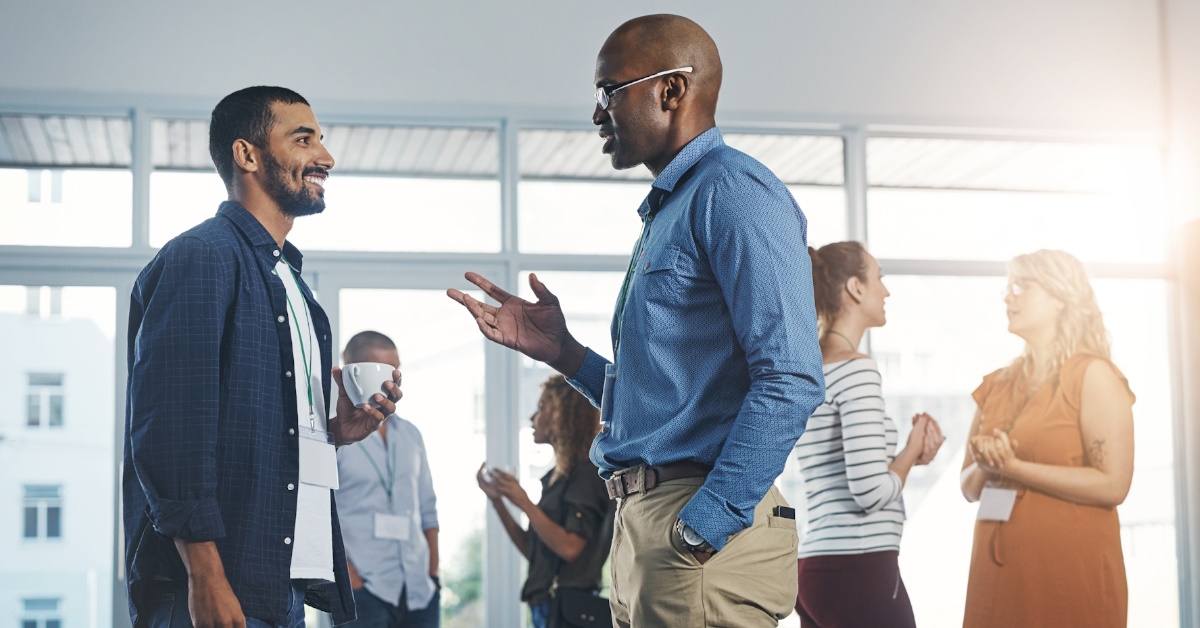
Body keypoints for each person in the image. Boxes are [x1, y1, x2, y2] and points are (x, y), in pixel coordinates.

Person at [447, 14, 825, 626]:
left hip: (696, 532)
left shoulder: (734, 192)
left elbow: (792, 378)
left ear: (671, 90)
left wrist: (703, 526)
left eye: (608, 91)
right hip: (645, 525)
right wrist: (562, 352)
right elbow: (660, 401)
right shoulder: (672, 210)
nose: (597, 114)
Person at [123, 86, 401, 628]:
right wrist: (206, 576)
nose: (326, 156)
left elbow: (268, 433)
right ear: (246, 154)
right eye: (303, 139)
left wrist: (335, 429)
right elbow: (170, 432)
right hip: (211, 589)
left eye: (321, 139)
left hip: (277, 584)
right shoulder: (200, 258)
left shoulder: (293, 285)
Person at [960, 249, 1135, 627]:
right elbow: (968, 486)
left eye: (1022, 285)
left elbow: (1114, 484)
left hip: (1068, 577)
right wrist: (989, 466)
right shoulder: (996, 385)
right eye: (1008, 287)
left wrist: (1015, 467)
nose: (1009, 296)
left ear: (1060, 297)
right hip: (997, 578)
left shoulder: (1094, 375)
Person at [784, 242, 946, 627]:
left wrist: (910, 457)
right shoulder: (857, 370)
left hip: (816, 570)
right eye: (879, 279)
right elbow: (870, 492)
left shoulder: (809, 369)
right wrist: (911, 449)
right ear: (856, 288)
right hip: (858, 569)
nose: (886, 291)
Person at [476, 375, 614, 628]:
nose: (532, 418)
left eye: (541, 408)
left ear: (563, 416)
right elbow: (534, 551)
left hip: (568, 610)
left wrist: (525, 503)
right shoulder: (555, 478)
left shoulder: (586, 475)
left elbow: (570, 548)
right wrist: (499, 502)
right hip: (547, 607)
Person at [335, 331, 441, 628]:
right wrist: (350, 580)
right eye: (384, 372)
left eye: (397, 372)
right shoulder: (335, 437)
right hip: (363, 591)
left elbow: (428, 509)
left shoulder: (411, 435)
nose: (393, 382)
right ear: (353, 373)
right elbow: (321, 514)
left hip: (419, 590)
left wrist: (432, 574)